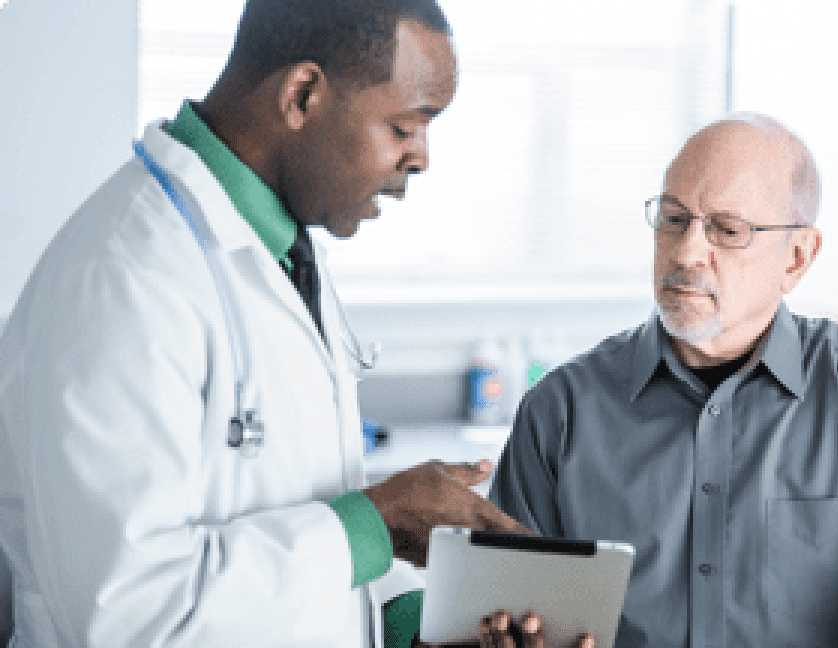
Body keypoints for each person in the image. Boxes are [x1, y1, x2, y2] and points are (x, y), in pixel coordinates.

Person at [0, 1, 588, 647]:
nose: (420, 159)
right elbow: (131, 616)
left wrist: (413, 629)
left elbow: (297, 513)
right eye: (404, 126)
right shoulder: (123, 279)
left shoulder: (279, 254)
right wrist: (376, 523)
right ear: (303, 94)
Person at [490, 114, 838, 647]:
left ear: (797, 257)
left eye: (727, 230)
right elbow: (499, 613)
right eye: (672, 219)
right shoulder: (560, 411)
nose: (687, 252)